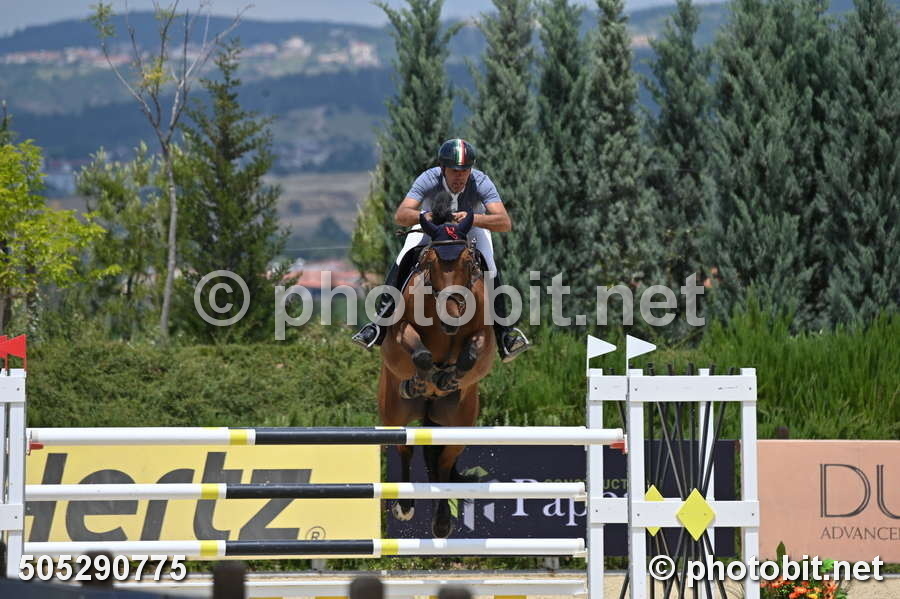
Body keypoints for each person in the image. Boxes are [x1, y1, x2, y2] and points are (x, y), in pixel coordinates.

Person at [352, 138, 530, 363]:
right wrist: (425, 216)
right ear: (443, 168)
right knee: (405, 255)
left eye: (464, 171)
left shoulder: (481, 181)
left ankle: (505, 334)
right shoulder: (428, 178)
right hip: (433, 229)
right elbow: (401, 215)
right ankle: (378, 325)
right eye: (454, 171)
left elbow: (504, 222)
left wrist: (474, 218)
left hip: (470, 228)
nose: (460, 177)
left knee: (489, 263)